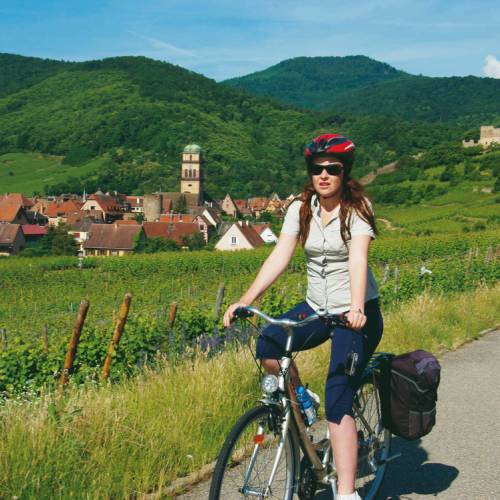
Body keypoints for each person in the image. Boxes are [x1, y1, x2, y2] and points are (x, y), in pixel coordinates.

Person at [223, 133, 383, 500]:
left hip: (356, 312)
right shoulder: (300, 207)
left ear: (345, 173)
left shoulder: (358, 209)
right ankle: (301, 399)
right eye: (317, 169)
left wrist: (357, 307)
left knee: (338, 395)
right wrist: (245, 299)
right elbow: (280, 254)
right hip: (317, 307)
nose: (324, 175)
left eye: (332, 169)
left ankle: (345, 493)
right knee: (269, 342)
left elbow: (358, 258)